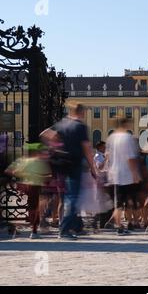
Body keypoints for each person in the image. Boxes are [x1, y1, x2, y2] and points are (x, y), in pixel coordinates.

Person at [41, 101, 96, 240]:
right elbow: (87, 148)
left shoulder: (63, 123)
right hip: (74, 164)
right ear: (82, 112)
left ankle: (74, 226)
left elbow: (44, 134)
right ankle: (64, 229)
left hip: (62, 164)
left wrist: (55, 146)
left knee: (66, 197)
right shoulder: (80, 126)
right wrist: (93, 168)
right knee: (72, 197)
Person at [106, 117, 141, 235]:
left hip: (115, 173)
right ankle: (125, 224)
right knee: (129, 201)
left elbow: (108, 155)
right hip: (126, 174)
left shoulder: (111, 138)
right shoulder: (127, 137)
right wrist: (135, 173)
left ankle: (119, 225)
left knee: (118, 202)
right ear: (125, 124)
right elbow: (130, 158)